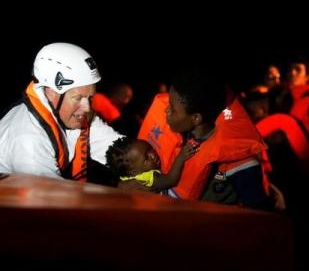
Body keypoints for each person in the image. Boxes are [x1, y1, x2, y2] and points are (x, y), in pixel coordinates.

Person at [136, 68, 273, 210]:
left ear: (196, 118)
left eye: (172, 108)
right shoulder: (183, 132)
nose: (166, 110)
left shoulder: (239, 161)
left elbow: (260, 215)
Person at [0, 42, 122, 182]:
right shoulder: (27, 137)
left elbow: (115, 146)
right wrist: (122, 193)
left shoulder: (69, 111)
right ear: (51, 92)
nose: (87, 107)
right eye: (78, 98)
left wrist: (143, 166)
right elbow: (49, 198)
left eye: (90, 97)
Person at [106, 137, 196, 193]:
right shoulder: (148, 178)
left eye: (150, 148)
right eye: (146, 158)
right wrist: (180, 157)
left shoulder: (124, 178)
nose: (152, 155)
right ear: (134, 172)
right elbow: (171, 180)